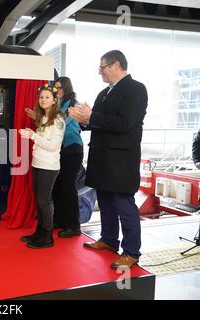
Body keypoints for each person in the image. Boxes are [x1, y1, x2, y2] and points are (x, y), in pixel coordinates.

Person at [68, 50, 148, 269]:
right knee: (105, 203)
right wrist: (83, 120)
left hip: (120, 161)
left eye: (102, 67)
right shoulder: (104, 92)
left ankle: (131, 252)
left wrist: (92, 116)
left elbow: (125, 123)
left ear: (116, 65)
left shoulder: (136, 89)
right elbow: (100, 123)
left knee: (124, 205)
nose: (99, 71)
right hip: (102, 159)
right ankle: (109, 239)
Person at [26, 77, 83, 238]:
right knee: (56, 187)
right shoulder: (52, 108)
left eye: (59, 88)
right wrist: (37, 117)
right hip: (58, 151)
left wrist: (40, 117)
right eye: (55, 88)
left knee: (67, 187)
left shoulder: (72, 104)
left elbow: (60, 122)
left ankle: (73, 225)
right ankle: (57, 220)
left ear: (66, 88)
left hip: (71, 150)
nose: (56, 90)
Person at [19, 82, 66, 249]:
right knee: (39, 201)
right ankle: (40, 232)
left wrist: (32, 136)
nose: (43, 99)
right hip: (38, 163)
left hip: (49, 166)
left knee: (43, 201)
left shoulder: (58, 121)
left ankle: (47, 237)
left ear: (55, 100)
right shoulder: (44, 118)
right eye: (41, 97)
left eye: (47, 97)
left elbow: (53, 146)